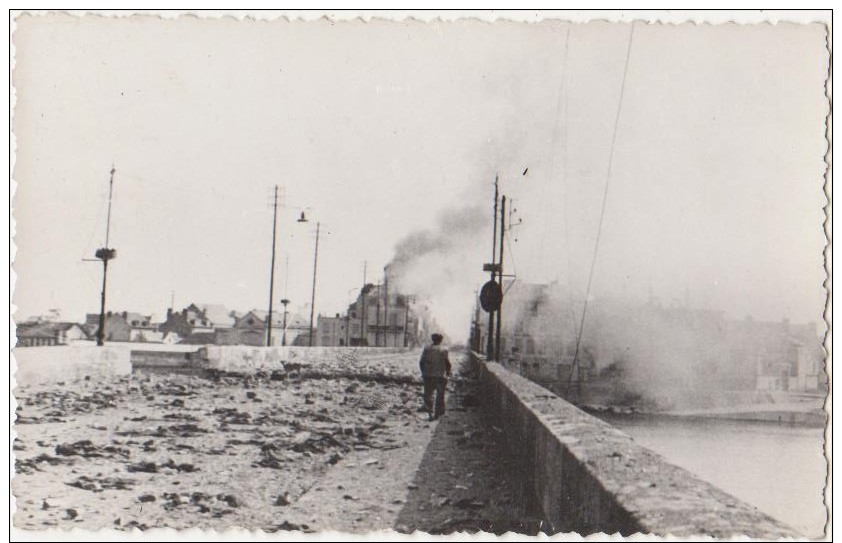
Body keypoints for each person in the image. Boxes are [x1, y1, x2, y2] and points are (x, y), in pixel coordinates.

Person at [419, 333, 451, 421]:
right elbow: (447, 363)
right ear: (441, 340)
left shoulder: (427, 349)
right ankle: (437, 413)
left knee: (428, 394)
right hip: (440, 376)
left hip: (428, 376)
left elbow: (421, 362)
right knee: (440, 395)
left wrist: (423, 372)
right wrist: (448, 374)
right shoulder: (444, 350)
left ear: (432, 339)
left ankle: (430, 412)